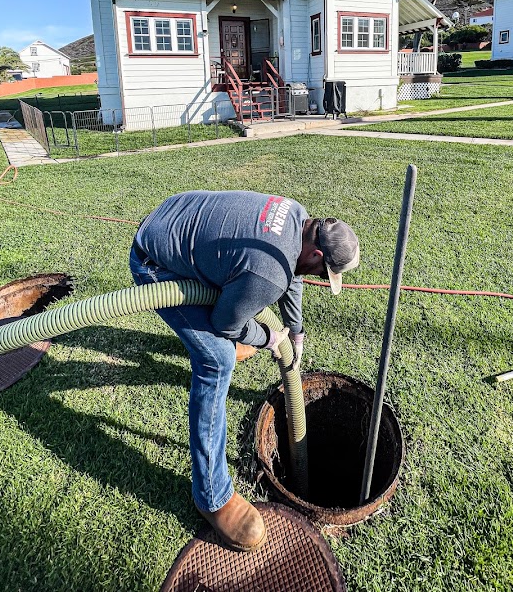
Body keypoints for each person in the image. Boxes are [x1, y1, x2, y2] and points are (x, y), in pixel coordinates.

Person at [129, 190, 360, 551]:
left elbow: (294, 276)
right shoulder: (268, 273)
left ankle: (229, 338)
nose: (318, 277)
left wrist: (295, 332)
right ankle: (212, 498)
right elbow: (225, 322)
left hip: (172, 220)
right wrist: (268, 338)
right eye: (323, 272)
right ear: (317, 255)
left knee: (234, 307)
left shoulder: (298, 216)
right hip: (155, 262)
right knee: (217, 360)